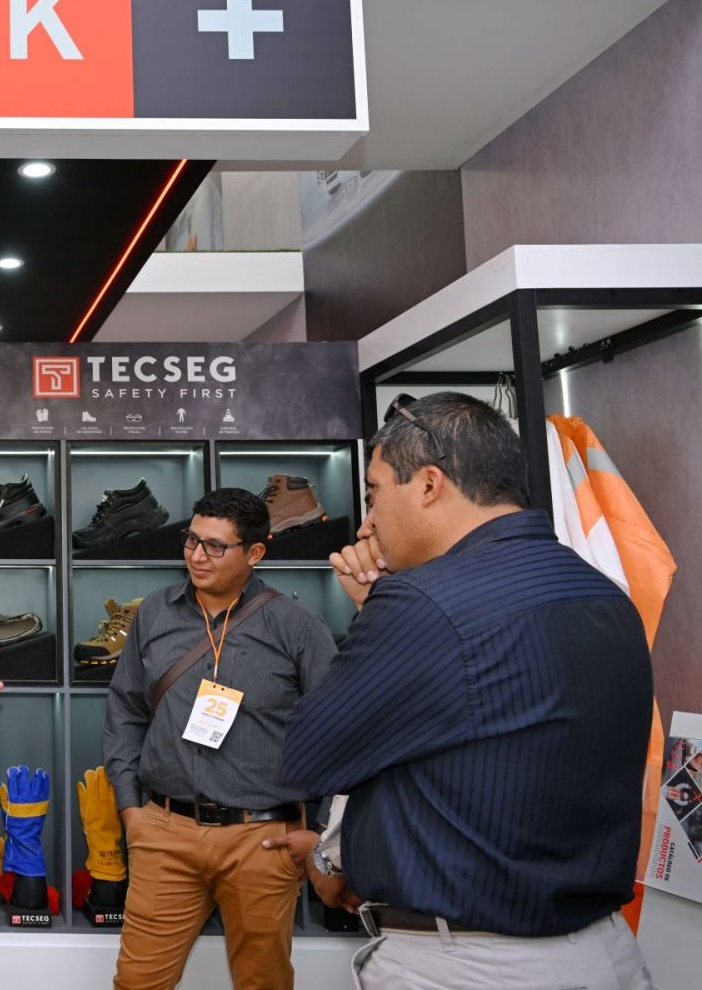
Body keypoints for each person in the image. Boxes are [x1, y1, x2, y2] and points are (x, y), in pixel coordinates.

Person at [279, 392, 654, 989]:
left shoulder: (420, 603)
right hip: (602, 951)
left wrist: (379, 609)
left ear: (430, 484)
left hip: (471, 965)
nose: (367, 524)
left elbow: (306, 758)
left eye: (374, 494)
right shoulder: (605, 594)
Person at [102, 487, 336, 990]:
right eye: (192, 540)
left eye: (215, 546)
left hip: (261, 838)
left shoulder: (297, 627)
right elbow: (124, 708)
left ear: (255, 552)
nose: (196, 555)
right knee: (137, 981)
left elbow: (338, 733)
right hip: (164, 832)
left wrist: (320, 831)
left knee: (262, 983)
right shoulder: (155, 612)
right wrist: (131, 811)